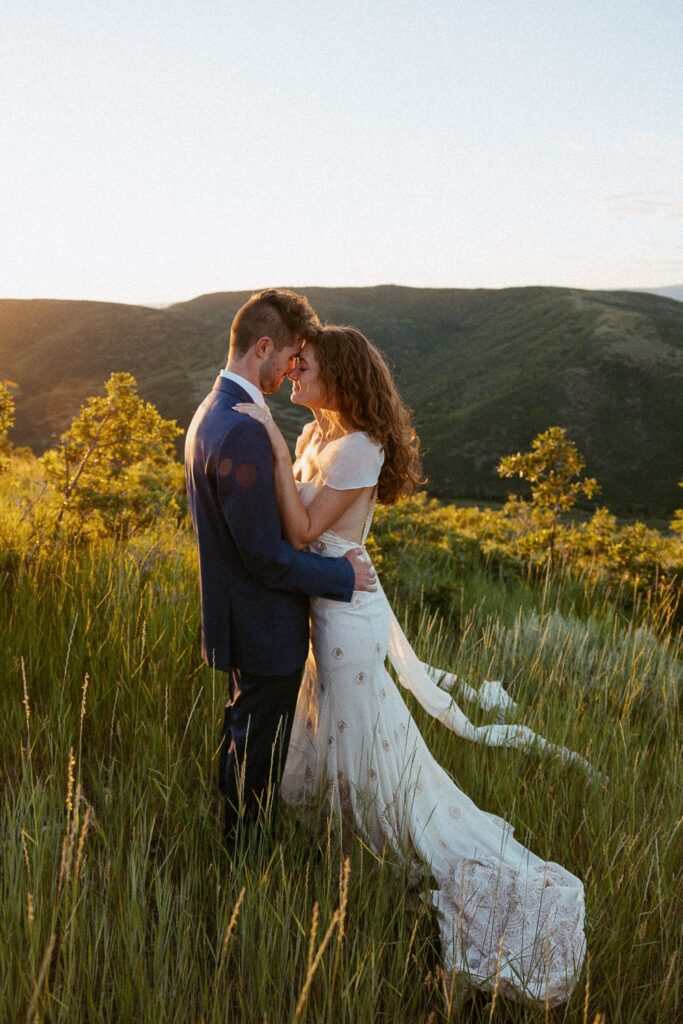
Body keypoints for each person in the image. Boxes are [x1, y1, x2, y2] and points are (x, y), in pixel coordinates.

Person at [233, 324, 588, 1006]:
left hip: (347, 617)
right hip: (324, 601)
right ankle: (343, 835)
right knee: (337, 729)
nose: (293, 373)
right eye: (293, 362)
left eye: (305, 365)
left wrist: (268, 447)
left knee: (360, 734)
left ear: (337, 375)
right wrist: (285, 449)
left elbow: (304, 533)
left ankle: (388, 845)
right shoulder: (314, 440)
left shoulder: (359, 448)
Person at [184, 290, 377, 841]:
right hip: (262, 621)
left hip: (239, 614)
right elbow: (267, 557)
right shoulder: (244, 427)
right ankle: (242, 856)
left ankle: (233, 839)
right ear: (263, 347)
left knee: (246, 735)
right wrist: (342, 576)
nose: (293, 368)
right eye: (291, 356)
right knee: (257, 753)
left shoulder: (212, 410)